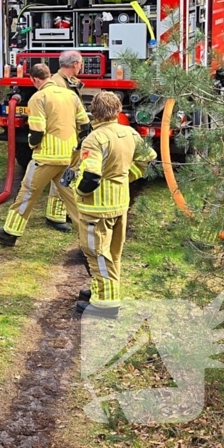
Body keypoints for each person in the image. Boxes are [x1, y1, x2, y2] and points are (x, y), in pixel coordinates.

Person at [73, 92, 156, 318]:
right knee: (113, 252)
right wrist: (128, 176)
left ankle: (106, 305)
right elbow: (149, 156)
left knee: (96, 253)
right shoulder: (129, 132)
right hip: (120, 203)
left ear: (94, 112)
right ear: (118, 110)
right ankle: (102, 291)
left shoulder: (95, 139)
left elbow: (90, 177)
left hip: (96, 208)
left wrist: (77, 191)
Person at [0, 63, 89, 246]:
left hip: (46, 158)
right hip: (69, 157)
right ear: (49, 75)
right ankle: (90, 239)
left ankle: (10, 232)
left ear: (34, 80)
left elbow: (37, 132)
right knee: (72, 198)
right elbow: (85, 124)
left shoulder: (38, 98)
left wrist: (32, 144)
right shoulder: (71, 95)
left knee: (28, 192)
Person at [44, 51, 90, 233]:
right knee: (63, 175)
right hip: (61, 137)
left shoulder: (65, 81)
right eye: (80, 63)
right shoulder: (57, 83)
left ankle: (64, 213)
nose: (81, 66)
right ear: (74, 64)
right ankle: (54, 216)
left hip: (69, 135)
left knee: (70, 174)